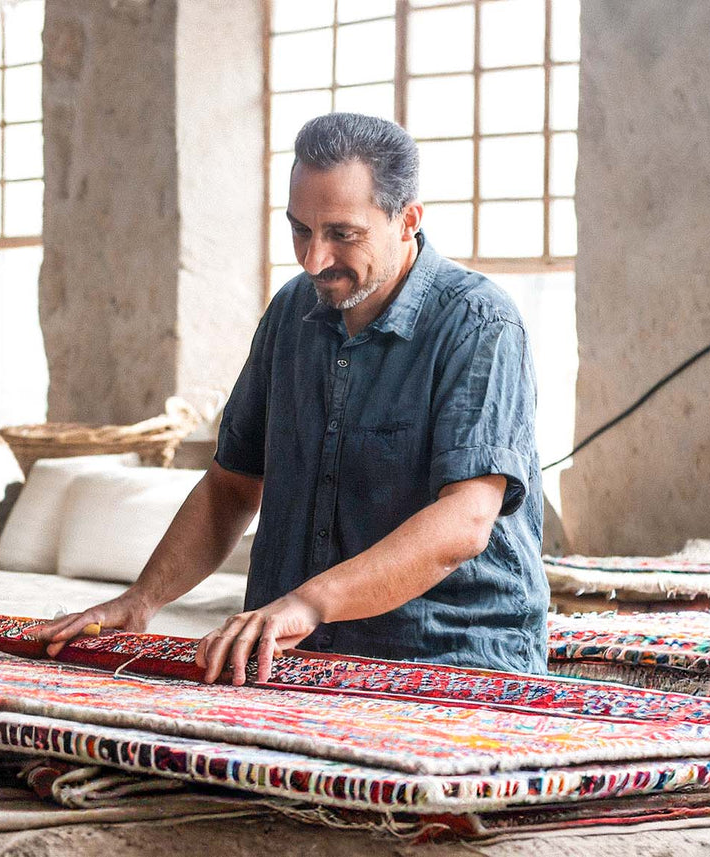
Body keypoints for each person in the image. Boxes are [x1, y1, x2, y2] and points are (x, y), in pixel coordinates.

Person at [36, 113, 545, 683]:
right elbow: (231, 487)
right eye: (301, 229)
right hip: (294, 653)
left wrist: (311, 601)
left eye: (342, 235)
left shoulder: (479, 323)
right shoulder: (291, 314)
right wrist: (143, 599)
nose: (313, 260)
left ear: (408, 221)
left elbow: (465, 520)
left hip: (450, 653)